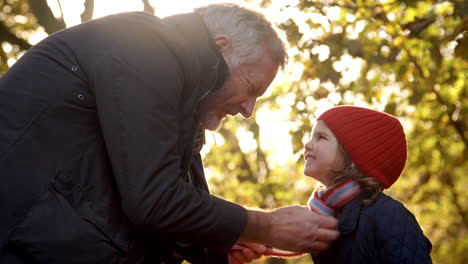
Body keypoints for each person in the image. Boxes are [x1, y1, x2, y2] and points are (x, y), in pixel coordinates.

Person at [0, 3, 339, 264]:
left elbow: (147, 206)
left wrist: (218, 241)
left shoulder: (182, 113)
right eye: (251, 88)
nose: (247, 111)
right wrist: (267, 226)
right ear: (221, 47)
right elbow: (155, 201)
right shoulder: (144, 46)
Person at [300, 105, 432, 263]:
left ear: (352, 158)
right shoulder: (324, 216)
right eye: (311, 136)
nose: (307, 144)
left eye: (321, 137)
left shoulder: (389, 215)